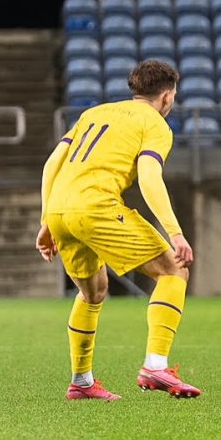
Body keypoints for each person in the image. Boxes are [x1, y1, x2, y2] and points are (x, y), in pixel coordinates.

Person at [35, 60, 200, 401]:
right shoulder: (154, 123)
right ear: (167, 96)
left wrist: (46, 220)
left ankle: (81, 381)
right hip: (96, 207)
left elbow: (53, 162)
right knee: (173, 269)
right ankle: (156, 365)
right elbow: (150, 177)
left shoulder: (94, 113)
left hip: (61, 209)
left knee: (92, 292)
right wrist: (175, 232)